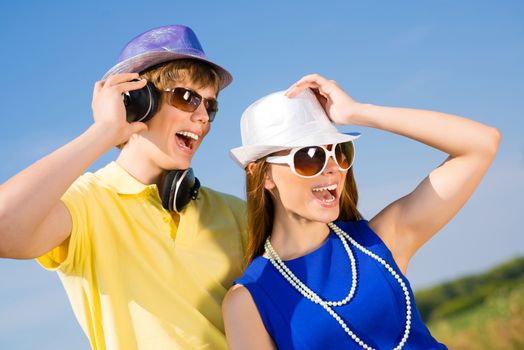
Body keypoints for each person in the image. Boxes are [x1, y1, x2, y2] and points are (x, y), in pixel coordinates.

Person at [0, 25, 247, 349]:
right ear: (138, 102)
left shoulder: (236, 213)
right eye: (187, 98)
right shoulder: (86, 204)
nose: (203, 117)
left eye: (210, 106)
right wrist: (103, 131)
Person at [222, 74, 500, 349]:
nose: (332, 168)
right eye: (309, 157)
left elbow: (482, 143)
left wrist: (357, 112)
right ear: (263, 174)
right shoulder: (248, 300)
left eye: (339, 152)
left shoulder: (378, 241)